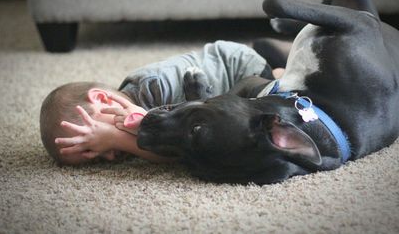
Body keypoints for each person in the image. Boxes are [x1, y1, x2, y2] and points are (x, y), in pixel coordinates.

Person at [40, 41, 284, 165]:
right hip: (223, 83)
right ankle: (277, 58)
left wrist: (114, 137)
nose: (110, 157)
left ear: (102, 100)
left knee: (273, 94)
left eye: (94, 141)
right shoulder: (132, 113)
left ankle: (280, 69)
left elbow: (181, 152)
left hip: (236, 68)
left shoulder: (153, 87)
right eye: (99, 158)